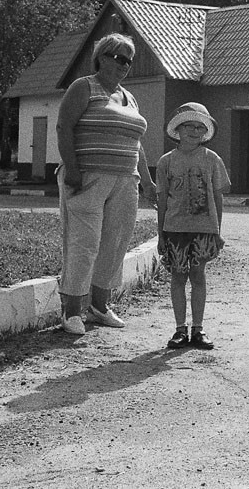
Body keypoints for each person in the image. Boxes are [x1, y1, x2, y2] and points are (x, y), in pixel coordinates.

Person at [55, 33, 156, 335]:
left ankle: (100, 306)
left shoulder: (130, 97)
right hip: (88, 177)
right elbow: (64, 126)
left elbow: (136, 142)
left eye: (128, 60)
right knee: (83, 244)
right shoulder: (83, 87)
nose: (122, 64)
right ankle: (71, 310)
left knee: (114, 245)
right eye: (117, 56)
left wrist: (148, 183)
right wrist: (72, 169)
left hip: (126, 181)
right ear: (100, 56)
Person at [155, 102, 231, 350]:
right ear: (178, 128)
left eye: (200, 127)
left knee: (198, 275)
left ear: (205, 132)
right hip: (175, 228)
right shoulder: (167, 161)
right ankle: (179, 330)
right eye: (189, 125)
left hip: (204, 228)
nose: (194, 131)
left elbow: (218, 197)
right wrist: (161, 234)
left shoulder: (212, 160)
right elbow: (162, 199)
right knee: (178, 276)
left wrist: (217, 231)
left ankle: (198, 329)